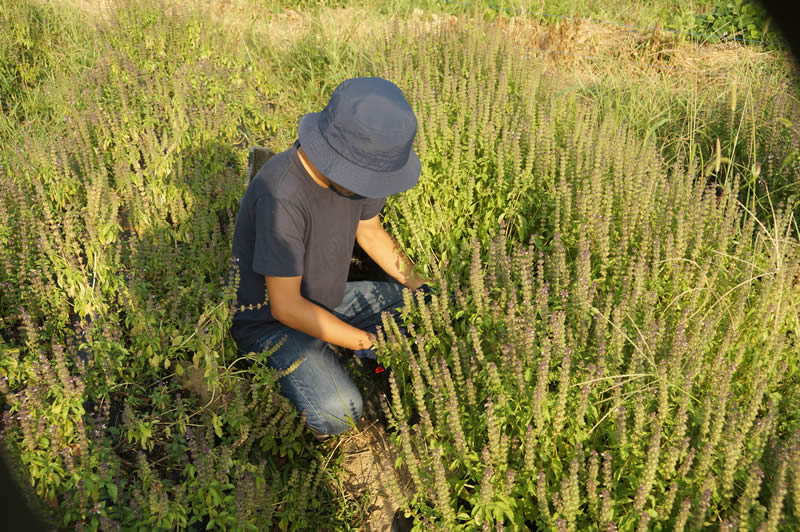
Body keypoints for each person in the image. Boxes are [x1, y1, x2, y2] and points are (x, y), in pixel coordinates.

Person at [229, 77, 430, 437]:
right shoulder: (281, 195)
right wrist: (366, 342)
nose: (374, 186)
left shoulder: (357, 176)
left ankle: (347, 353)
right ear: (343, 159)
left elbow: (370, 232)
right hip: (272, 324)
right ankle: (313, 372)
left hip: (328, 298)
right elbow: (286, 307)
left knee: (421, 307)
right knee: (339, 410)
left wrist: (426, 286)